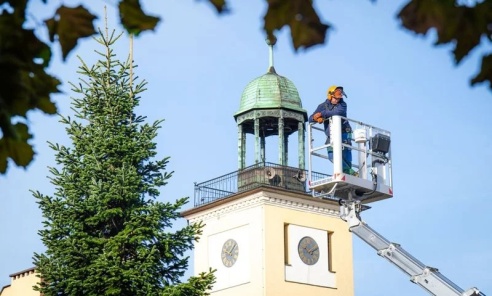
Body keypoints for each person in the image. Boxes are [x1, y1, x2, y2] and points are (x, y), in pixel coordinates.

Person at [308, 85, 356, 175]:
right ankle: (349, 172)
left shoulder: (342, 105)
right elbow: (310, 119)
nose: (337, 100)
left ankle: (349, 173)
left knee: (345, 155)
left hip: (344, 132)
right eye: (335, 98)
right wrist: (315, 118)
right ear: (330, 96)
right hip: (331, 134)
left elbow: (336, 113)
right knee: (331, 156)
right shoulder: (322, 106)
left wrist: (322, 114)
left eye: (338, 98)